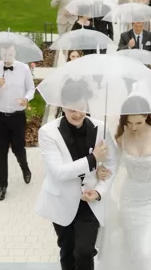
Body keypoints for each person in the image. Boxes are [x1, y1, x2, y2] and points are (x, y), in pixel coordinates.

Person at [36, 79, 117, 270]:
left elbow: (112, 163)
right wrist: (93, 160)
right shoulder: (47, 132)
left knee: (84, 251)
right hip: (61, 201)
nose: (77, 113)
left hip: (90, 201)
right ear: (62, 106)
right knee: (67, 249)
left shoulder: (102, 128)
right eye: (71, 108)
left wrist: (99, 191)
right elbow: (59, 172)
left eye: (80, 107)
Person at [96, 95, 151, 270]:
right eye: (129, 123)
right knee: (134, 245)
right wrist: (100, 169)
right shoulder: (121, 137)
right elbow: (113, 164)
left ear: (146, 116)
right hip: (130, 199)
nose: (133, 127)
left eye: (138, 123)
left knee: (147, 247)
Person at [0, 45, 34, 201]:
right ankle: (3, 185)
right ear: (1, 53)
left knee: (18, 149)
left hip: (17, 116)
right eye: (5, 53)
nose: (7, 56)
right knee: (1, 152)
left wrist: (26, 98)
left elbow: (31, 89)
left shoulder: (24, 68)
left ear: (15, 53)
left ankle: (25, 168)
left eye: (10, 53)